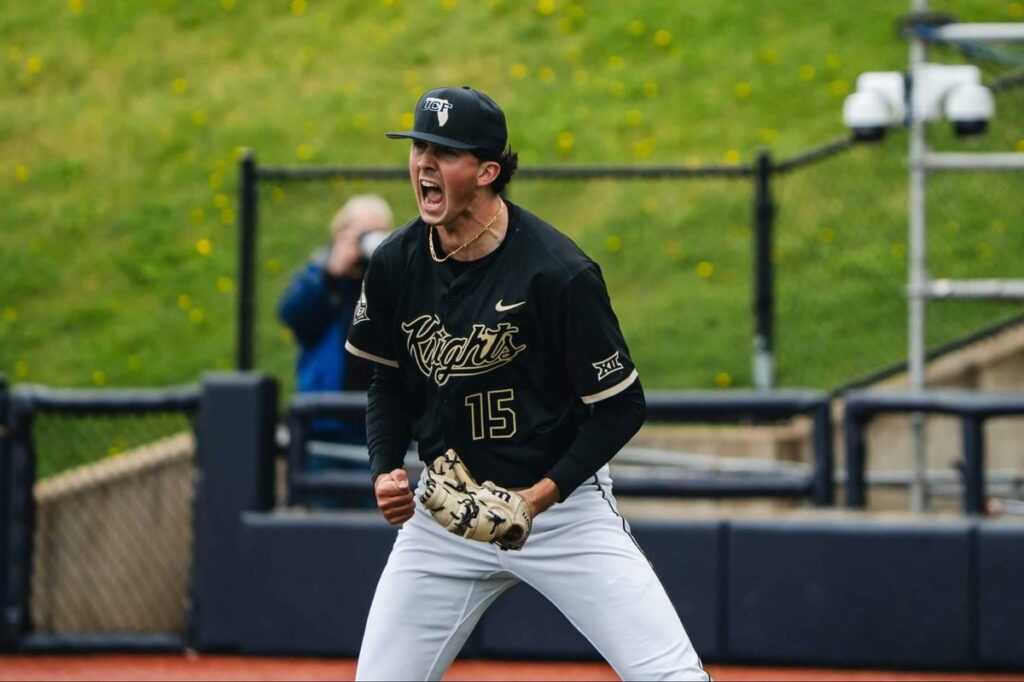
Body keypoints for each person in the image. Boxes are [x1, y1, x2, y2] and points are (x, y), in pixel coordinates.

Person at [345, 86, 709, 680]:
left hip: (561, 515)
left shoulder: (557, 273)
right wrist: (385, 464)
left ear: (488, 170)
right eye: (418, 146)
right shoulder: (396, 263)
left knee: (671, 677)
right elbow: (385, 380)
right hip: (447, 515)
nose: (424, 163)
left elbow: (622, 407)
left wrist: (537, 497)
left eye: (445, 151)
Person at [278, 194, 393, 508]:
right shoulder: (320, 277)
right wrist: (331, 273)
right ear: (340, 233)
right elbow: (293, 314)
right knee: (320, 517)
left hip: (376, 430)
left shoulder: (389, 284)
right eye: (363, 234)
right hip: (324, 425)